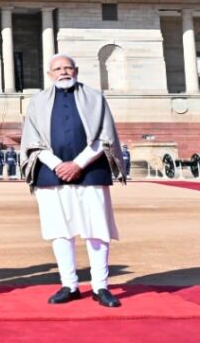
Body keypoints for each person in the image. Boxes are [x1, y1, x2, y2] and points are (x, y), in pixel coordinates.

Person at [20, 54, 127, 308]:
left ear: (76, 70)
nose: (63, 72)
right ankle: (69, 284)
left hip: (91, 170)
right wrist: (58, 165)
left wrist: (78, 164)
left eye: (68, 68)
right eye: (58, 69)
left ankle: (101, 287)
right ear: (50, 74)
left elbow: (105, 135)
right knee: (60, 230)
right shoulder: (38, 102)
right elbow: (32, 141)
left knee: (97, 230)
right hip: (51, 172)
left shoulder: (95, 98)